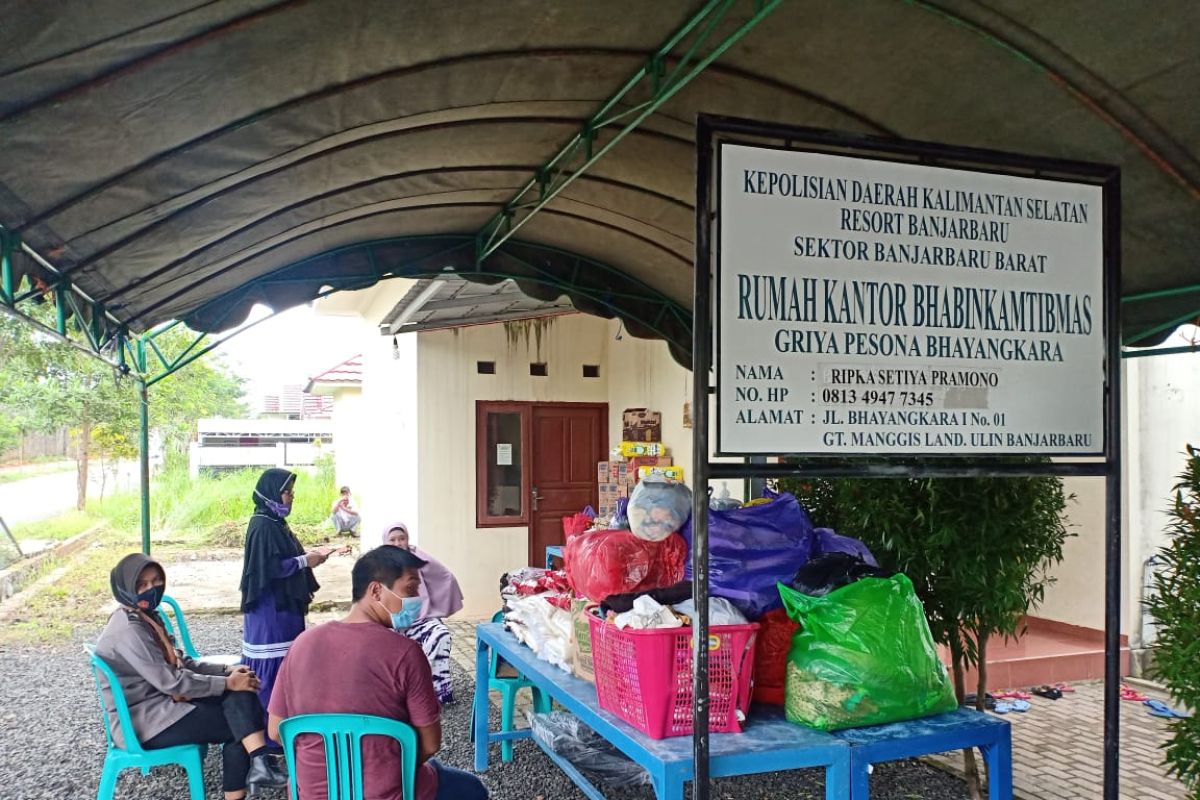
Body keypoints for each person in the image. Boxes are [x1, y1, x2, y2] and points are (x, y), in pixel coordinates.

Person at [268, 546, 488, 800]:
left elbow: (276, 731)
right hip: (390, 793)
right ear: (376, 591)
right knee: (471, 789)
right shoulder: (406, 653)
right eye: (411, 589)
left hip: (311, 793)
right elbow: (430, 744)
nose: (417, 600)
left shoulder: (301, 645)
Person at [96, 553, 288, 800]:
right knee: (237, 726)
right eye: (141, 585)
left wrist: (226, 671)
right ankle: (258, 763)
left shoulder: (143, 616)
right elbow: (172, 682)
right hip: (147, 721)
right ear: (125, 588)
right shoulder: (128, 630)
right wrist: (227, 683)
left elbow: (181, 661)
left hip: (165, 704)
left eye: (156, 581)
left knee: (240, 695)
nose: (151, 589)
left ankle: (261, 761)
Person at [239, 468, 336, 726]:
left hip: (284, 607)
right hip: (271, 610)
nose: (291, 497)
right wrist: (306, 560)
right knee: (272, 669)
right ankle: (270, 733)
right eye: (287, 492)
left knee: (288, 666)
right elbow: (268, 568)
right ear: (271, 493)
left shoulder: (274, 522)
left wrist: (310, 558)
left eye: (292, 492)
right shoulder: (262, 525)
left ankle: (285, 726)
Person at [383, 521, 464, 704]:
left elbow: (445, 575)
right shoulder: (377, 562)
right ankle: (394, 695)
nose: (397, 543)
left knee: (440, 634)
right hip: (390, 622)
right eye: (392, 540)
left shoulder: (416, 556)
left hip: (421, 618)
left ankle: (437, 690)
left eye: (401, 538)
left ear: (408, 539)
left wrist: (440, 604)